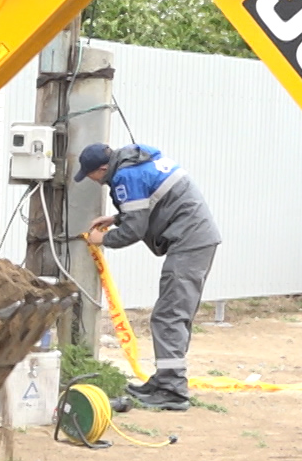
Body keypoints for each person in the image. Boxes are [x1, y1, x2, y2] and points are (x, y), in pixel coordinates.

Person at [78, 142, 220, 411]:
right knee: (172, 313)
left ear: (103, 168)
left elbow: (135, 229)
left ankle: (172, 391)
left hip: (189, 242)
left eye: (90, 174)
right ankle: (165, 380)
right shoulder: (136, 165)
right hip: (195, 239)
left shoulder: (125, 176)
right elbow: (149, 204)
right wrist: (116, 219)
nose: (90, 180)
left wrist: (103, 239)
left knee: (169, 315)